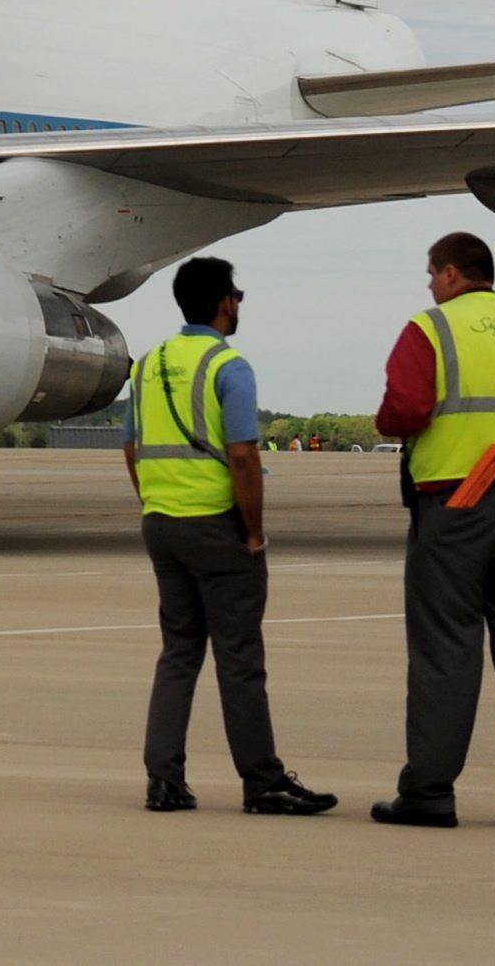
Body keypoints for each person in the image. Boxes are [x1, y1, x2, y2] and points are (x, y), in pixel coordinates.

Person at [124, 254, 337, 814]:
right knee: (239, 657)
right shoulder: (229, 367)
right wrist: (255, 533)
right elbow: (243, 456)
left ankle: (163, 779)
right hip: (216, 527)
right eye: (237, 296)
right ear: (224, 302)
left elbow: (131, 446)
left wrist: (152, 498)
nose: (238, 304)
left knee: (179, 652)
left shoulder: (147, 363)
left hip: (161, 523)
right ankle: (262, 780)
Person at [370, 229, 495, 829]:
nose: (429, 284)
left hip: (460, 499)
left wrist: (387, 425)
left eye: (432, 273)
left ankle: (429, 793)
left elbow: (403, 409)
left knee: (446, 649)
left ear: (453, 274)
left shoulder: (433, 327)